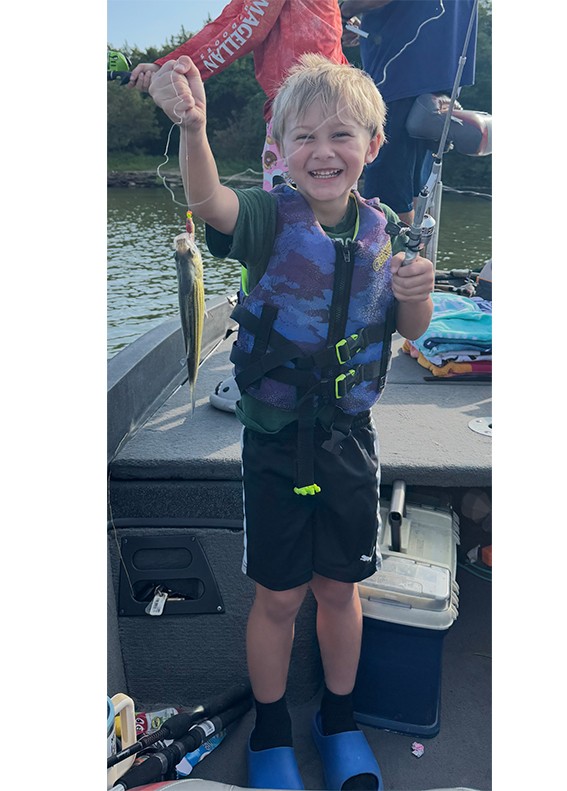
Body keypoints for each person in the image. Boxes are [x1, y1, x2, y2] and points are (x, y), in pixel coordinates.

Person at [149, 52, 435, 789]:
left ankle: (335, 719)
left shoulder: (386, 231)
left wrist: (418, 288)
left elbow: (410, 325)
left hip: (347, 440)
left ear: (372, 147)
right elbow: (207, 198)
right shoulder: (264, 217)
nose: (321, 150)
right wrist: (193, 126)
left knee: (340, 589)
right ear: (279, 152)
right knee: (278, 595)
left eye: (340, 134)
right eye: (302, 136)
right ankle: (272, 728)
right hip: (275, 440)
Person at [127, 0, 348, 190]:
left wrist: (178, 72)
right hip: (325, 104)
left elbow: (248, 27)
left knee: (287, 213)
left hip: (305, 108)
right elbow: (232, 19)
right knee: (327, 210)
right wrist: (166, 64)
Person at [339, 0, 478, 223]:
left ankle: (389, 256)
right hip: (445, 69)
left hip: (399, 67)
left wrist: (344, 11)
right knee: (416, 190)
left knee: (386, 194)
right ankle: (412, 255)